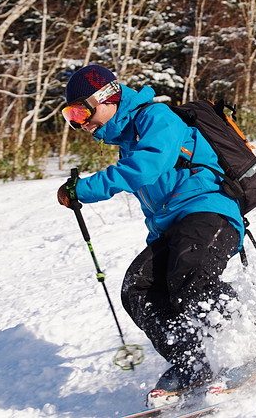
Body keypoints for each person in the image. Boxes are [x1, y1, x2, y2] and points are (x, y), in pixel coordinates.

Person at [56, 65, 245, 406]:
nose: (80, 122)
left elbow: (148, 167)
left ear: (107, 97)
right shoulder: (127, 140)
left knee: (190, 277)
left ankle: (250, 343)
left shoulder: (157, 117)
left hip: (210, 211)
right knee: (138, 287)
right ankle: (191, 362)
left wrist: (84, 189)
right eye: (71, 115)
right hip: (176, 228)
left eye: (81, 110)